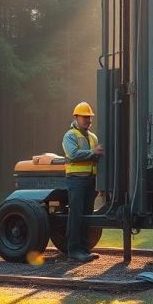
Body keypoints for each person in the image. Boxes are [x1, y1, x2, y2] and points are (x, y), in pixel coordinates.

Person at [62, 101, 104, 262]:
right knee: (76, 215)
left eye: (90, 117)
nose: (88, 120)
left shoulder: (93, 137)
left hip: (90, 181)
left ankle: (84, 250)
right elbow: (73, 154)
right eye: (85, 117)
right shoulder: (70, 135)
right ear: (76, 117)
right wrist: (93, 152)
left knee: (86, 215)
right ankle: (73, 250)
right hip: (76, 180)